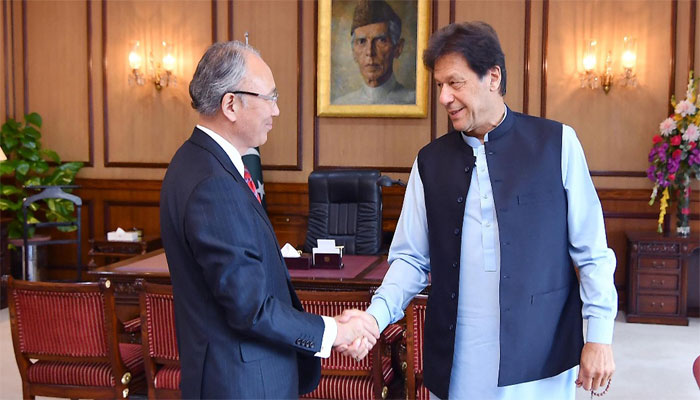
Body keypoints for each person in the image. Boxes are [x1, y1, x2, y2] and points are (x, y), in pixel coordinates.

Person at [341, 21, 618, 399]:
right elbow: (410, 259)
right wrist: (375, 316)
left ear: (493, 77)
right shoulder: (430, 162)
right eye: (440, 85)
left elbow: (592, 252)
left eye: (455, 83)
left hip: (542, 351)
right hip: (459, 356)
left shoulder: (557, 143)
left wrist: (599, 335)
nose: (444, 97)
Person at [160, 41, 377, 399]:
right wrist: (335, 332)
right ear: (231, 104)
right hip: (242, 385)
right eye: (269, 97)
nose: (276, 110)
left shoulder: (195, 162)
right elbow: (251, 308)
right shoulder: (213, 184)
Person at [333, 0, 416, 105]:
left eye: (381, 40)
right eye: (362, 41)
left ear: (398, 48)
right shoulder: (341, 105)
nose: (370, 52)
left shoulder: (414, 103)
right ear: (353, 51)